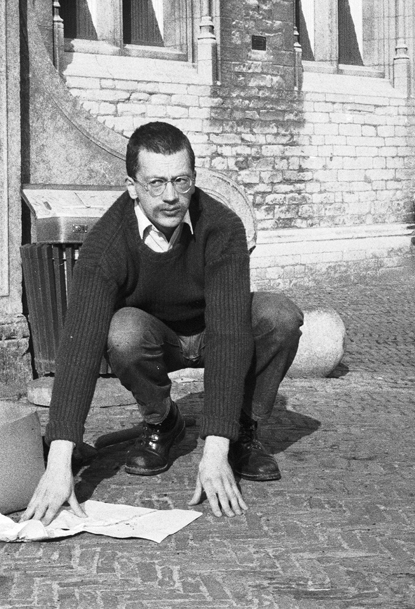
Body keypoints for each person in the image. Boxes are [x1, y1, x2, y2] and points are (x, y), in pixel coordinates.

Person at [22, 121, 304, 524]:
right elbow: (80, 346)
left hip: (213, 328)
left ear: (193, 179)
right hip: (157, 338)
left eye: (181, 181)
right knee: (122, 332)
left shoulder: (222, 227)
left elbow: (227, 333)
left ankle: (243, 429)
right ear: (132, 186)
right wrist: (59, 461)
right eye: (155, 183)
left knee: (279, 315)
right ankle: (163, 421)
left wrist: (215, 447)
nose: (171, 196)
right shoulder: (106, 242)